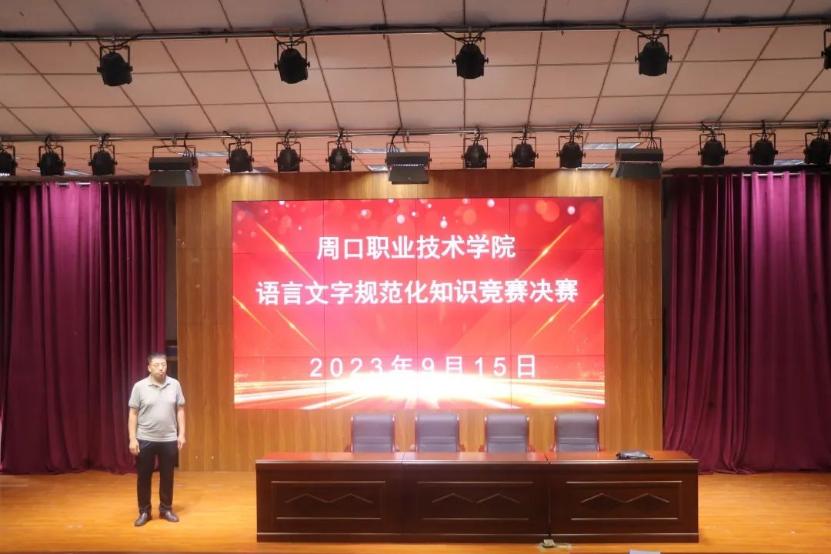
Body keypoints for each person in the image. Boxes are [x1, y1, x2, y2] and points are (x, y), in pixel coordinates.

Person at [128, 352, 186, 527]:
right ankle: (144, 511)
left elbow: (180, 410)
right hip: (145, 438)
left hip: (168, 438)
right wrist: (132, 438)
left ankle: (166, 509)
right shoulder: (139, 387)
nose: (161, 368)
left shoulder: (174, 384)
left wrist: (181, 434)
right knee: (144, 477)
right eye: (157, 365)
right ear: (149, 367)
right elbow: (133, 413)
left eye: (164, 364)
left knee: (167, 476)